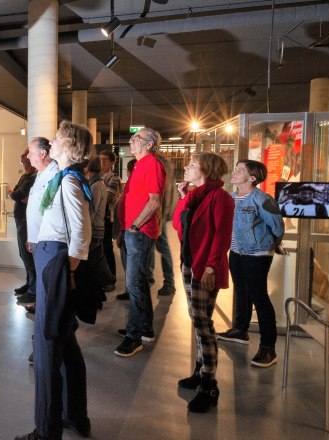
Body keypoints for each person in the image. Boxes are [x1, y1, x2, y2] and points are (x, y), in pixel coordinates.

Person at [16, 121, 91, 440]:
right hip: (53, 256)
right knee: (65, 340)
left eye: (58, 139)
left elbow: (81, 233)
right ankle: (74, 415)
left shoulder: (69, 181)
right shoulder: (62, 176)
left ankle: (46, 431)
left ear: (69, 147)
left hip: (57, 261)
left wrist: (68, 271)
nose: (53, 142)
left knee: (46, 345)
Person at [172, 152, 234, 413]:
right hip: (190, 264)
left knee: (202, 324)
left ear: (206, 170)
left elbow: (222, 235)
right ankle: (200, 370)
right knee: (198, 319)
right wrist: (183, 197)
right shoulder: (195, 196)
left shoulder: (220, 197)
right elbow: (178, 226)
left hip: (204, 267)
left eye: (192, 165)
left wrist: (211, 266)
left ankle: (209, 384)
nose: (187, 168)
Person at [218, 160, 284, 368]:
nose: (234, 172)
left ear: (252, 178)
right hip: (236, 251)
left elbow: (277, 226)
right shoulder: (231, 198)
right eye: (236, 169)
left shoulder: (262, 200)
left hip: (257, 254)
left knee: (259, 297)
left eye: (240, 170)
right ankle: (240, 330)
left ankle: (268, 347)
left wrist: (273, 244)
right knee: (241, 291)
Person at [114, 128, 166, 358]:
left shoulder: (152, 164)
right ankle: (144, 328)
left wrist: (135, 225)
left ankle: (134, 336)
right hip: (131, 230)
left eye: (137, 138)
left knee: (134, 283)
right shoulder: (139, 165)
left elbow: (154, 201)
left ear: (149, 144)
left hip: (140, 232)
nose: (131, 141)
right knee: (139, 282)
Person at [22, 137, 58, 310]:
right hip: (38, 238)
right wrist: (31, 237)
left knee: (48, 279)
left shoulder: (54, 175)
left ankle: (48, 313)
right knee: (42, 277)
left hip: (47, 239)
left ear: (43, 153)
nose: (28, 156)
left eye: (31, 152)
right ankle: (42, 308)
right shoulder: (41, 174)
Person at [10, 150, 38, 302]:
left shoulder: (33, 178)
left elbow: (16, 194)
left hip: (25, 219)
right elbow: (17, 194)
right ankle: (29, 284)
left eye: (24, 162)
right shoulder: (25, 177)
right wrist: (16, 195)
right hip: (21, 218)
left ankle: (33, 290)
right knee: (24, 254)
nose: (24, 165)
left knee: (28, 255)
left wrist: (15, 195)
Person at [84, 157, 115, 290]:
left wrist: (85, 227)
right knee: (97, 258)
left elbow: (92, 210)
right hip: (96, 227)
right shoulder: (96, 183)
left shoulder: (96, 185)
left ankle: (108, 282)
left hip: (95, 228)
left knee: (96, 258)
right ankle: (107, 282)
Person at [149, 153, 177, 295]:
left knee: (161, 246)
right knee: (152, 245)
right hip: (158, 213)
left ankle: (169, 282)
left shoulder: (159, 164)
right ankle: (150, 277)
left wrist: (161, 215)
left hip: (157, 214)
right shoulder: (162, 163)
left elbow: (163, 192)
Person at [99, 150, 121, 291]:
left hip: (107, 218)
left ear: (112, 162)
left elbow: (107, 197)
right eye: (100, 159)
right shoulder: (97, 176)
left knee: (107, 248)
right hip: (97, 218)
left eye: (105, 160)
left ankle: (111, 279)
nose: (101, 162)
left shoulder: (114, 178)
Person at [114, 158, 136, 301]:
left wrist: (122, 230)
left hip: (129, 229)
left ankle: (131, 292)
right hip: (126, 229)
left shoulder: (134, 184)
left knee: (130, 265)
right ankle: (129, 290)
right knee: (129, 264)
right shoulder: (131, 183)